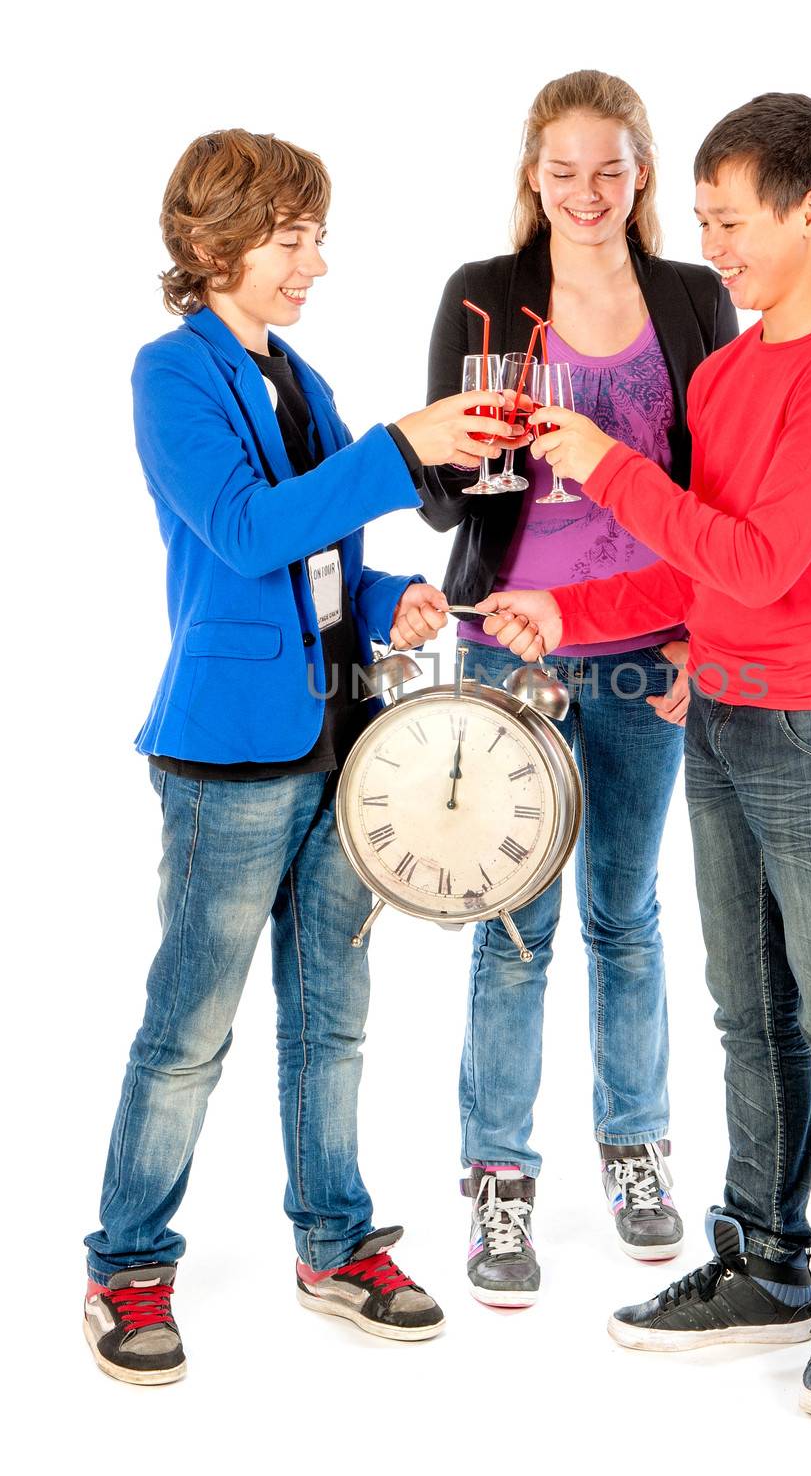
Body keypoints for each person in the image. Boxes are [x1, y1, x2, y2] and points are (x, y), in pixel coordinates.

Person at [477, 93, 811, 1418]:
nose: (712, 245)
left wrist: (608, 466)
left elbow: (761, 562)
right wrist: (572, 611)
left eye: (732, 222)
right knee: (747, 1011)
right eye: (710, 220)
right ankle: (765, 1259)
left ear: (809, 212)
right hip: (717, 714)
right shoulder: (724, 373)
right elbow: (695, 576)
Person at [83, 129, 524, 1385]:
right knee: (191, 1032)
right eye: (291, 237)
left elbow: (317, 559)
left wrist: (392, 598)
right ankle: (124, 1262)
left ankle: (333, 1243)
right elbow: (241, 530)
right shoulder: (171, 374)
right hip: (228, 761)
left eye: (316, 235)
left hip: (342, 745)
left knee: (332, 1021)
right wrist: (397, 445)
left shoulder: (298, 374)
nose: (314, 260)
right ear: (213, 242)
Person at [419, 70, 736, 1305]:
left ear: (641, 173)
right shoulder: (484, 297)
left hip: (652, 642)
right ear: (531, 175)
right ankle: (498, 1181)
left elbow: (720, 492)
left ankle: (636, 1151)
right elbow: (445, 492)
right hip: (511, 640)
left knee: (625, 910)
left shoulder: (691, 297)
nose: (587, 192)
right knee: (515, 923)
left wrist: (703, 633)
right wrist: (480, 453)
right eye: (563, 170)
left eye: (610, 168)